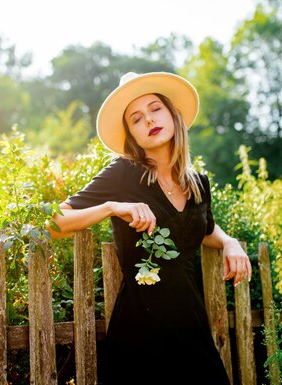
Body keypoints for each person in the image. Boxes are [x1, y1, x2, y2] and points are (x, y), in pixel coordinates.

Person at [49, 71, 252, 385]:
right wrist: (112, 208)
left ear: (173, 114)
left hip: (192, 327)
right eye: (136, 117)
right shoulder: (123, 174)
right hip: (140, 337)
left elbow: (203, 228)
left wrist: (230, 241)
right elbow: (54, 223)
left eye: (155, 108)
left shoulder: (198, 183)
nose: (149, 120)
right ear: (131, 134)